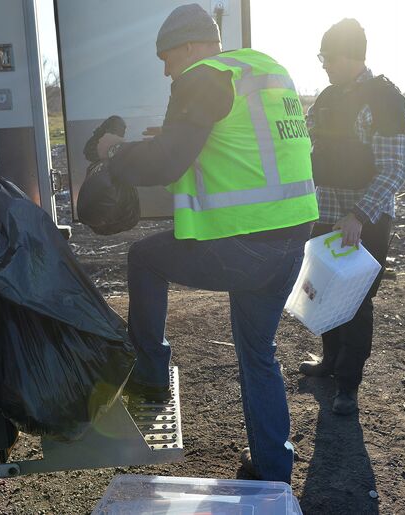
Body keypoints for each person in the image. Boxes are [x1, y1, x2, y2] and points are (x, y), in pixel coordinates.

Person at [95, 3, 318, 484]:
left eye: (166, 56)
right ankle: (273, 468)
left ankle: (151, 377)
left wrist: (114, 154)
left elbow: (165, 165)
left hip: (246, 247)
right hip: (290, 239)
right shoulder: (263, 68)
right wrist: (168, 139)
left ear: (191, 47)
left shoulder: (200, 77)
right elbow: (241, 143)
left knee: (145, 258)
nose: (165, 68)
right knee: (259, 355)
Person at [298, 18, 405, 415]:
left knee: (356, 301)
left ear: (350, 57)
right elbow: (307, 145)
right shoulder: (328, 96)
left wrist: (358, 214)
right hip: (325, 210)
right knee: (324, 290)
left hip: (365, 218)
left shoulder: (384, 99)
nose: (323, 64)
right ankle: (329, 363)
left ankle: (348, 385)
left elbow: (395, 168)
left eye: (327, 57)